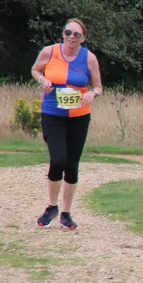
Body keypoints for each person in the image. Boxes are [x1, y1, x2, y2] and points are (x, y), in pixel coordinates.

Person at [31, 18, 102, 229]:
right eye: (68, 32)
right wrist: (43, 80)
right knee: (58, 160)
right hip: (53, 113)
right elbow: (35, 70)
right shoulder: (49, 52)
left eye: (76, 34)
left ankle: (66, 213)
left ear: (83, 38)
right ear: (63, 34)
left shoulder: (89, 58)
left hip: (79, 116)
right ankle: (52, 207)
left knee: (71, 164)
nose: (71, 37)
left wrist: (91, 93)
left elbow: (98, 86)